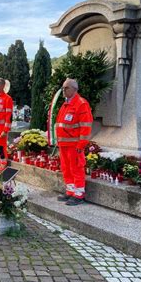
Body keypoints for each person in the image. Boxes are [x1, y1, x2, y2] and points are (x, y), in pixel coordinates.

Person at [55, 78, 93, 206]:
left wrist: (81, 145)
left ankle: (79, 193)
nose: (64, 90)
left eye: (67, 88)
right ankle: (70, 191)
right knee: (66, 168)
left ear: (75, 89)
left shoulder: (81, 104)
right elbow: (61, 125)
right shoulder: (66, 104)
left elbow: (86, 127)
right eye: (63, 88)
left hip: (74, 145)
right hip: (64, 145)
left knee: (76, 168)